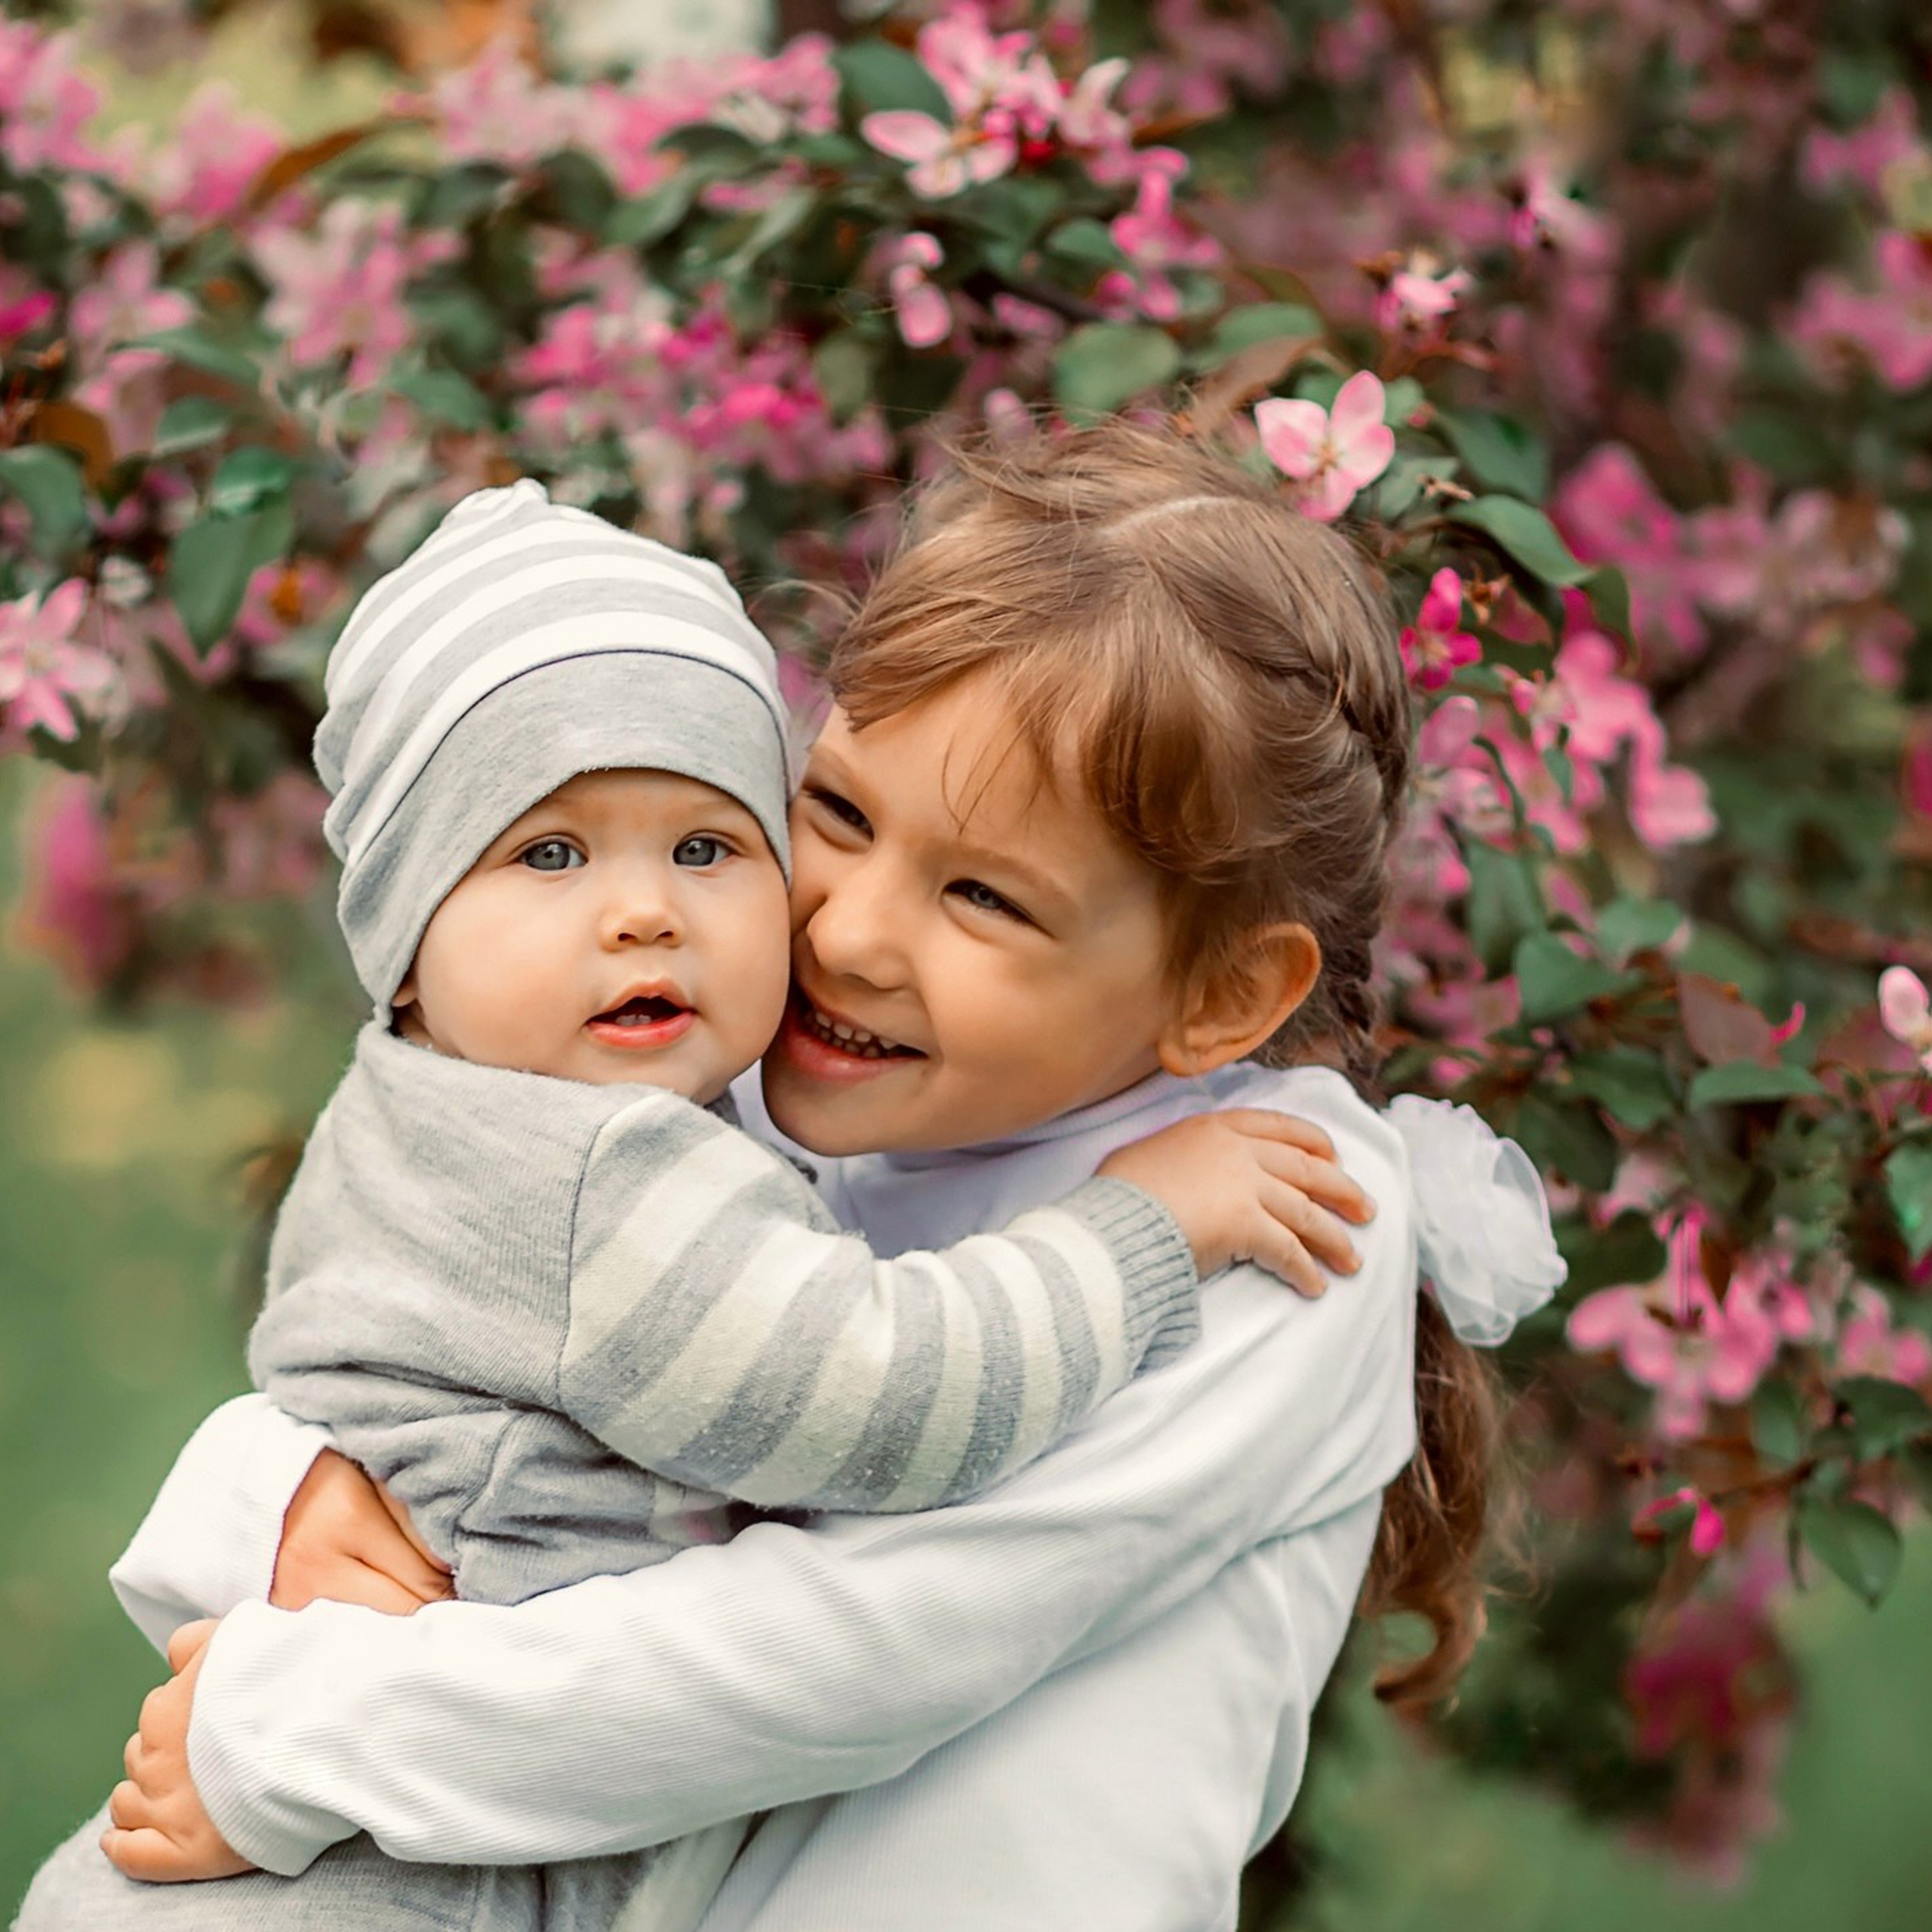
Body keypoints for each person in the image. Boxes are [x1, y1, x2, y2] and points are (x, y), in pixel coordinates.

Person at [20, 424, 1565, 1932]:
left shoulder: (1279, 1218)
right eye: (832, 812)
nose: (844, 929)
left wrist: (299, 1734)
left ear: (1217, 993)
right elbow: (419, 1326)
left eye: (979, 893)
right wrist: (266, 1498)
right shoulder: (761, 1086)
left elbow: (839, 1646)